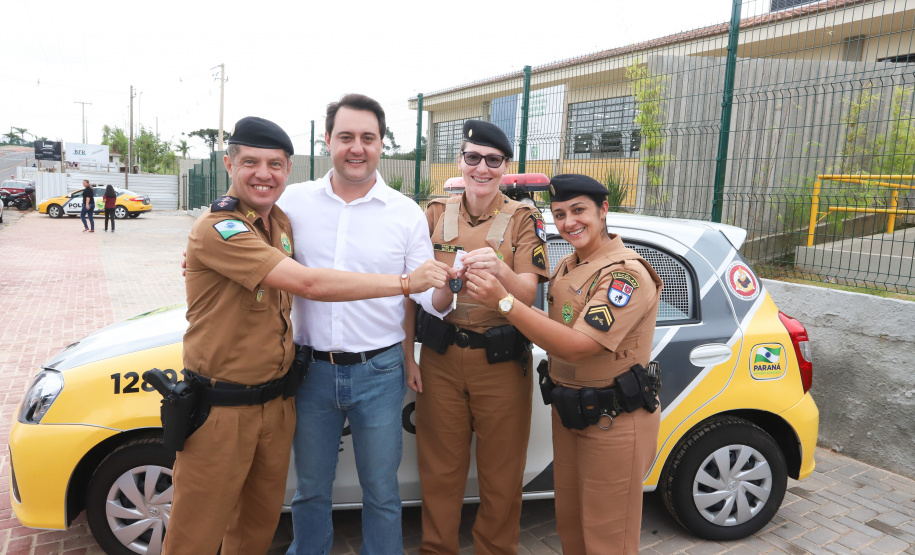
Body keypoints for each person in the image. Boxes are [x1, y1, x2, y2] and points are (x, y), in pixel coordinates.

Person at [164, 116, 453, 555]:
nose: (264, 174)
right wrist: (402, 282)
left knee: (263, 524)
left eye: (275, 164)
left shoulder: (280, 218)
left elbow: (428, 301)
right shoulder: (254, 216)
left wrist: (441, 289)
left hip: (305, 390)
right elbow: (308, 283)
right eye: (251, 162)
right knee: (215, 528)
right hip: (244, 397)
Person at [284, 94, 455, 555]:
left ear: (381, 144)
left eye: (367, 137)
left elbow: (426, 296)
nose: (356, 147)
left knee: (382, 494)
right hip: (310, 372)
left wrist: (448, 285)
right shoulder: (292, 202)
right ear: (327, 142)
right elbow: (253, 253)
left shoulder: (404, 213)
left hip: (379, 373)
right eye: (346, 137)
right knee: (310, 491)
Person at [464, 174, 663, 555]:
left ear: (603, 211)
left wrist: (504, 303)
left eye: (578, 210)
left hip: (613, 421)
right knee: (572, 529)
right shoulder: (570, 265)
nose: (569, 222)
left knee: (608, 540)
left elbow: (578, 345)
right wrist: (505, 290)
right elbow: (554, 327)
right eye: (559, 214)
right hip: (572, 413)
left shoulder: (625, 274)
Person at [414, 120, 549, 555]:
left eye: (493, 160)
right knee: (439, 471)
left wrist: (500, 269)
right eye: (473, 157)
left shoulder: (524, 219)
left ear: (505, 167)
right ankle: (438, 548)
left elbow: (528, 292)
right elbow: (404, 282)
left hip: (501, 361)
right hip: (442, 359)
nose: (482, 168)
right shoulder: (433, 213)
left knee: (501, 475)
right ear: (460, 161)